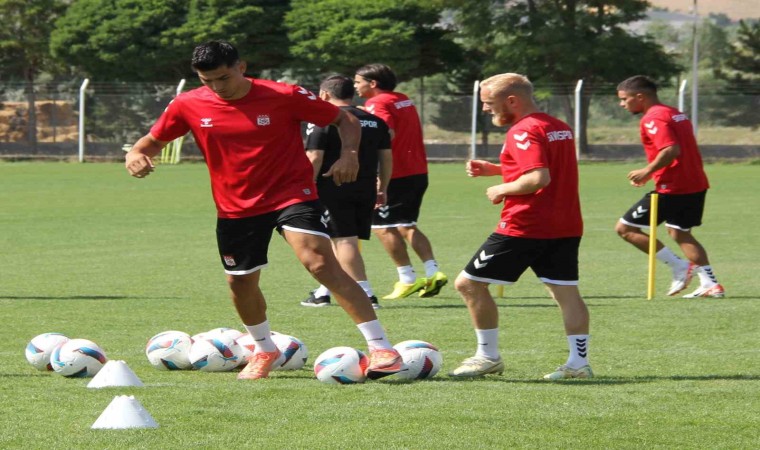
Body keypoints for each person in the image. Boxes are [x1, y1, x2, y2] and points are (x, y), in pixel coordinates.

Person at [124, 40, 402, 380]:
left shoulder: (284, 95)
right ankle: (264, 348)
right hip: (235, 207)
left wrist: (350, 155)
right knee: (240, 282)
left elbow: (344, 120)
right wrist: (135, 155)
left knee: (319, 262)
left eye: (223, 78)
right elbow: (151, 143)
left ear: (241, 67)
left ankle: (381, 348)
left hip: (291, 194)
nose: (217, 87)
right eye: (207, 80)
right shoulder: (188, 104)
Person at [450, 73, 592, 380]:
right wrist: (496, 170)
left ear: (512, 100)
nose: (486, 109)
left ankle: (487, 356)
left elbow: (538, 178)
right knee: (566, 292)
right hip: (565, 224)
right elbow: (540, 167)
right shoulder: (558, 126)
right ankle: (578, 363)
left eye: (489, 102)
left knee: (468, 284)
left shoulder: (523, 130)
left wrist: (501, 188)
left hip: (526, 224)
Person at [616, 75, 724, 298]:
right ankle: (710, 284)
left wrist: (647, 170)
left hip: (673, 187)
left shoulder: (653, 118)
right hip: (695, 182)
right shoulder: (675, 113)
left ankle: (680, 266)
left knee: (625, 229)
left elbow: (671, 149)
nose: (622, 104)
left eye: (625, 99)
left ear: (640, 97)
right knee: (680, 232)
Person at [353, 64, 447, 300]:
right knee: (407, 225)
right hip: (417, 171)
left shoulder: (377, 103)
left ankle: (407, 279)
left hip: (394, 174)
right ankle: (433, 271)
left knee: (382, 228)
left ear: (373, 83)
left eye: (357, 81)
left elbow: (386, 132)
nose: (355, 86)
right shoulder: (402, 99)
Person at [299, 75, 393, 309]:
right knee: (338, 239)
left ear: (324, 95)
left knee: (344, 241)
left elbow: (314, 156)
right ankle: (324, 292)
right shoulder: (375, 121)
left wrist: (304, 187)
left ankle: (366, 294)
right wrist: (383, 187)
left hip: (333, 187)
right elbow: (386, 158)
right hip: (365, 188)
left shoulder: (324, 120)